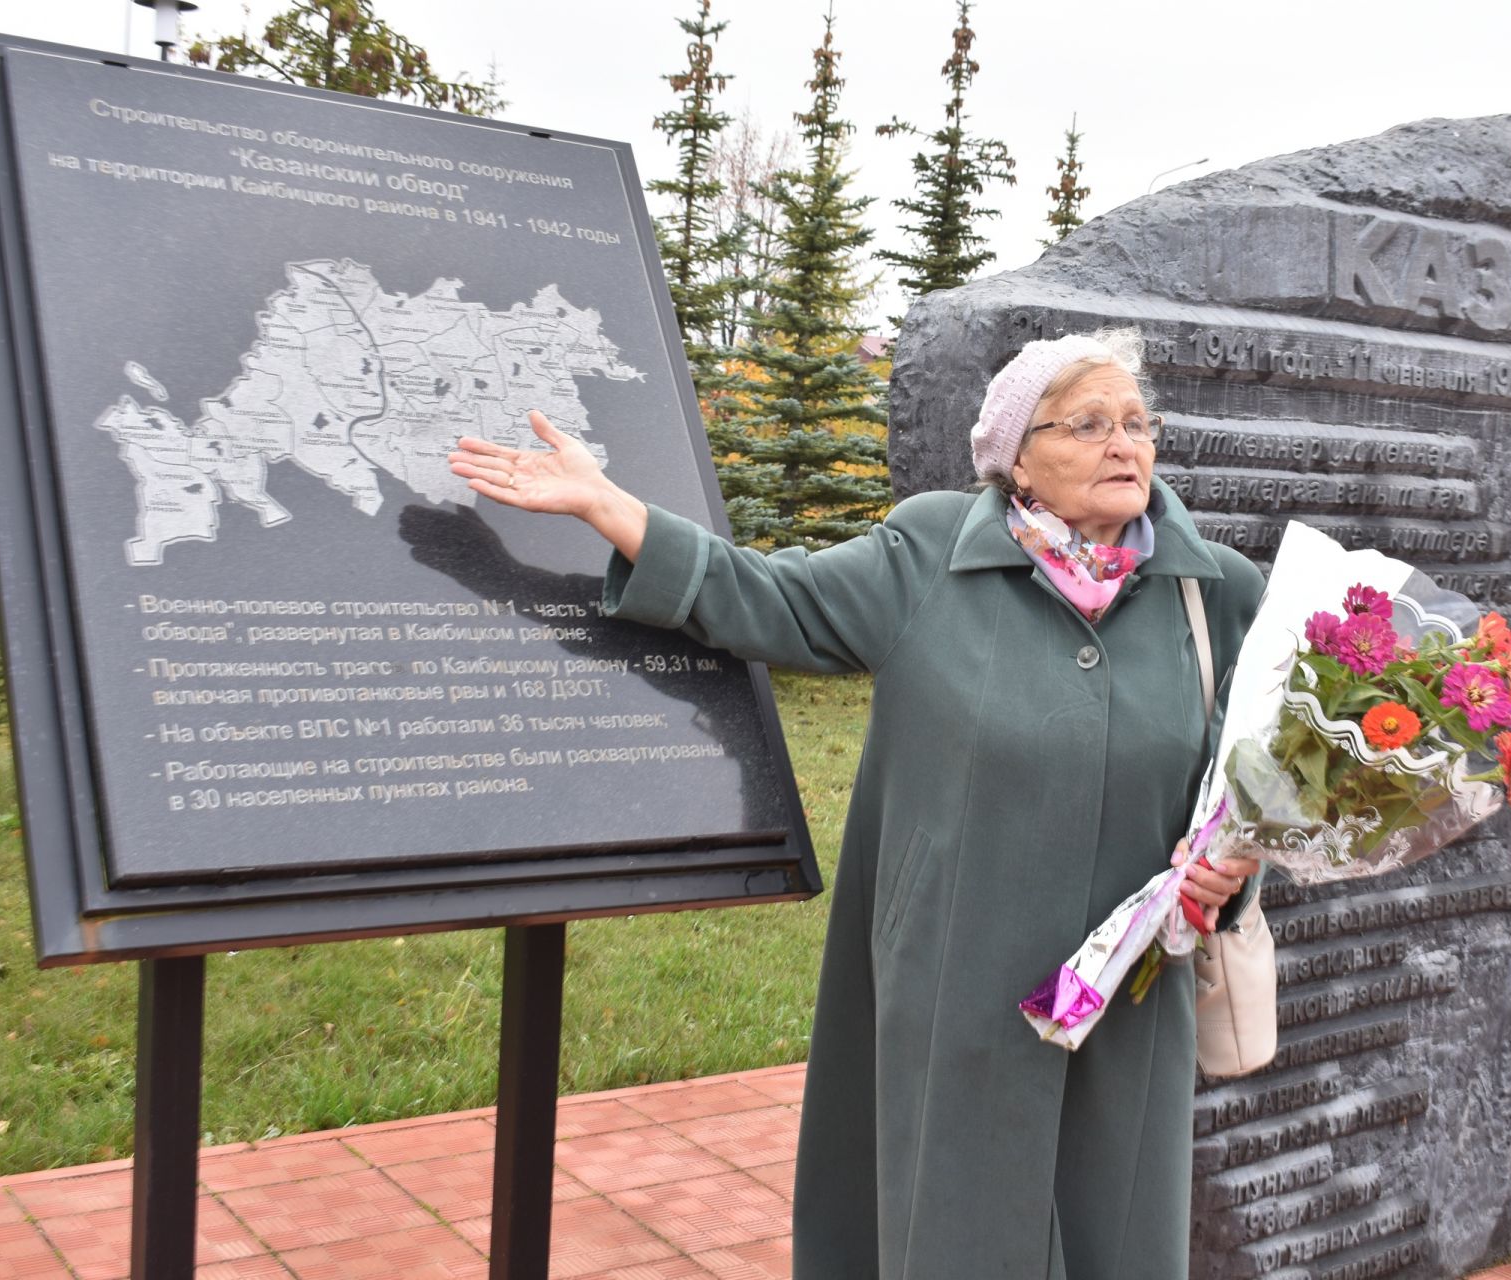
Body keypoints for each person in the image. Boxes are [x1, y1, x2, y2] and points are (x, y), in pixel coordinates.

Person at [449, 329, 1265, 1279]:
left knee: (1113, 1232)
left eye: (1136, 422)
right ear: (1017, 461)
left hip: (1127, 993)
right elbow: (771, 598)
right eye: (1088, 424)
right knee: (949, 1227)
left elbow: (1240, 793)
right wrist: (611, 508)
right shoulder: (926, 556)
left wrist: (1233, 871)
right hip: (957, 980)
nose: (1124, 444)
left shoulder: (1216, 595)